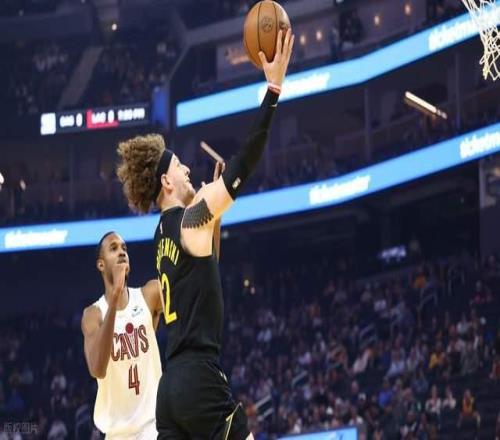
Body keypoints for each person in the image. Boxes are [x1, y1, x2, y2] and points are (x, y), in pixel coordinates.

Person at [116, 29, 294, 440]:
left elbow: (202, 273)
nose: (187, 170)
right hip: (198, 377)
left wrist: (215, 220)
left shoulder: (162, 236)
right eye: (179, 166)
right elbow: (244, 163)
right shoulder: (188, 220)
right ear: (166, 182)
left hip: (170, 393)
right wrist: (273, 90)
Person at [81, 231, 163, 439]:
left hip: (153, 426)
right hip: (117, 433)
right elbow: (97, 368)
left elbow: (189, 290)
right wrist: (115, 294)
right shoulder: (93, 314)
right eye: (114, 248)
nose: (122, 252)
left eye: (124, 248)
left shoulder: (149, 294)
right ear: (101, 264)